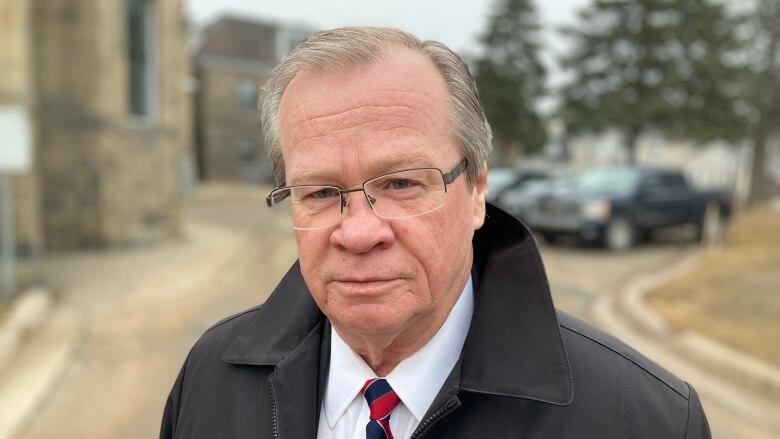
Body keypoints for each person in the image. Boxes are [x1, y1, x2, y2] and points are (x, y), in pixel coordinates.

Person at [161, 27, 710, 439]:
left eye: (401, 183)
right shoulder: (210, 376)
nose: (358, 233)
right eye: (321, 193)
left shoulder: (641, 418)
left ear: (475, 190)